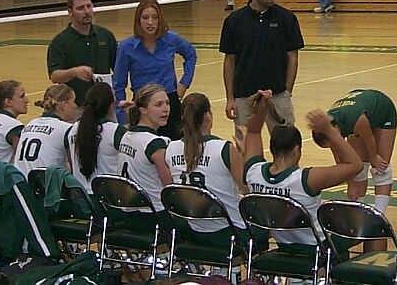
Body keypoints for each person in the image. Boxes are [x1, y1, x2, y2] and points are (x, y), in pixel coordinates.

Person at [243, 90, 361, 260]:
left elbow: (253, 133)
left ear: (273, 149)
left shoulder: (253, 173)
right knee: (369, 226)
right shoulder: (306, 179)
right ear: (297, 150)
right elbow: (355, 165)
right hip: (316, 248)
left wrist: (261, 109)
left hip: (284, 244)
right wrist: (329, 130)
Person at [220, 0, 304, 139]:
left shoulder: (286, 18)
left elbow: (292, 57)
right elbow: (229, 61)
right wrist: (230, 98)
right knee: (245, 146)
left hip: (278, 94)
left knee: (286, 143)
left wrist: (287, 91)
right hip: (244, 95)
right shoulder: (234, 21)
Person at [165, 92, 255, 247]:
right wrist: (246, 153)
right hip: (227, 231)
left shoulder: (171, 148)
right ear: (208, 116)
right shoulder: (223, 149)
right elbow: (248, 189)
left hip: (192, 227)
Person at [310, 89, 396, 251]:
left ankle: (379, 216)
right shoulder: (328, 128)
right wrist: (350, 184)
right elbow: (343, 162)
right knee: (358, 170)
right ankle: (360, 219)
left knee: (381, 168)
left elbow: (368, 137)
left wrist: (374, 157)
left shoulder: (354, 119)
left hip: (383, 110)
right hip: (362, 111)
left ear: (335, 130)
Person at [113, 0, 196, 140]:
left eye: (155, 17)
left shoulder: (171, 39)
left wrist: (184, 84)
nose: (150, 22)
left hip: (169, 102)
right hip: (142, 104)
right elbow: (118, 84)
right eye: (145, 18)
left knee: (173, 147)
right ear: (138, 20)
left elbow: (191, 55)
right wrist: (122, 118)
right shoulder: (126, 47)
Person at [47, 0, 118, 117]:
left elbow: (118, 69)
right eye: (80, 8)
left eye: (89, 6)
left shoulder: (105, 35)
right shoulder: (60, 41)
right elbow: (55, 76)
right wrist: (74, 72)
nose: (86, 11)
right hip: (76, 108)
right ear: (70, 12)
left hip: (105, 106)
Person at [117, 83, 173, 216]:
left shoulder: (126, 135)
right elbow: (170, 187)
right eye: (158, 105)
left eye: (167, 103)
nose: (166, 109)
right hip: (154, 213)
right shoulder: (154, 144)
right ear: (143, 110)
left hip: (129, 210)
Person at [67, 82, 125, 194]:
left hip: (82, 197)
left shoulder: (73, 129)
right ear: (111, 105)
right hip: (109, 198)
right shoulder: (115, 131)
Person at [14, 84, 77, 176]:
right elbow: (76, 168)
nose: (75, 106)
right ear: (64, 105)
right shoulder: (67, 129)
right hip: (44, 185)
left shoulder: (29, 124)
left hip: (20, 184)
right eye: (73, 101)